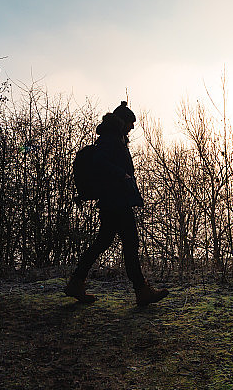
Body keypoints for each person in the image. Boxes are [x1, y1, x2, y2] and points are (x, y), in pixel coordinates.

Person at [65, 101, 169, 307]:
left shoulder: (113, 138)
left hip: (113, 201)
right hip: (116, 202)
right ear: (122, 121)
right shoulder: (111, 139)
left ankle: (76, 282)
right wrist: (121, 174)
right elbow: (100, 163)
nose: (132, 127)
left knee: (103, 243)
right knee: (130, 244)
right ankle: (141, 290)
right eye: (130, 123)